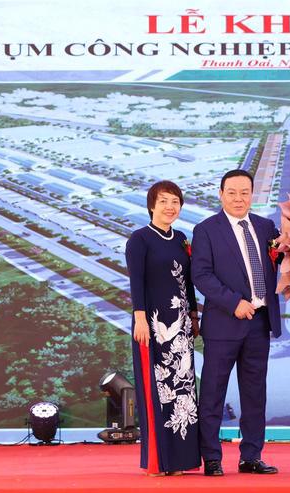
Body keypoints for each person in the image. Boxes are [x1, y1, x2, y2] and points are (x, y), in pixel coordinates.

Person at [191, 169, 282, 477]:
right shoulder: (206, 230)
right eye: (232, 192)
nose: (239, 198)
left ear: (252, 194)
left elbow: (281, 262)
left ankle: (251, 456)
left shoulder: (266, 226)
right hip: (223, 325)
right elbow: (201, 275)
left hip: (259, 324)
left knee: (255, 394)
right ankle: (212, 458)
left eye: (245, 192)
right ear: (221, 194)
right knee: (213, 394)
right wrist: (234, 303)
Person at [125, 180, 200, 476]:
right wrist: (140, 318)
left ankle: (180, 460)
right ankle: (159, 461)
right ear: (152, 205)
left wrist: (193, 315)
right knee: (157, 390)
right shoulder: (139, 239)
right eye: (164, 201)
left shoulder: (181, 238)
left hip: (181, 327)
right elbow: (136, 282)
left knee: (183, 390)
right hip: (154, 327)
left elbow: (189, 280)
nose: (170, 207)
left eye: (175, 202)